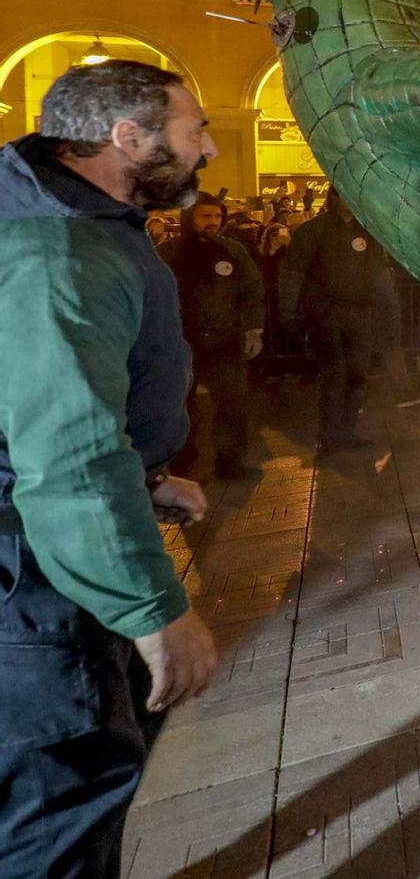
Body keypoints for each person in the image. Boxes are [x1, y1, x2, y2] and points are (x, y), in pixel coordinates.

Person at [0, 61, 220, 870]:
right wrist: (154, 612)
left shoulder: (64, 219)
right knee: (61, 806)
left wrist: (146, 475)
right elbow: (68, 457)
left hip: (40, 539)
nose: (210, 147)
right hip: (32, 575)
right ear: (128, 138)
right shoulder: (58, 248)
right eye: (194, 129)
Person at [164, 192, 266, 481]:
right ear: (189, 218)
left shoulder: (233, 252)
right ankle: (181, 462)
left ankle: (230, 462)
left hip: (225, 343)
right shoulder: (168, 254)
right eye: (205, 216)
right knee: (180, 407)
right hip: (182, 344)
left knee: (232, 405)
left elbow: (252, 292)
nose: (213, 222)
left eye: (217, 216)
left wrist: (253, 329)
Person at [279, 191, 390, 450]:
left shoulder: (369, 231)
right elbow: (292, 274)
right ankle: (330, 436)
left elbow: (381, 276)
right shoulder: (312, 231)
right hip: (324, 316)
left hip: (360, 315)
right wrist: (289, 315)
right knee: (334, 376)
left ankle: (347, 433)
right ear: (334, 197)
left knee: (357, 375)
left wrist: (388, 315)